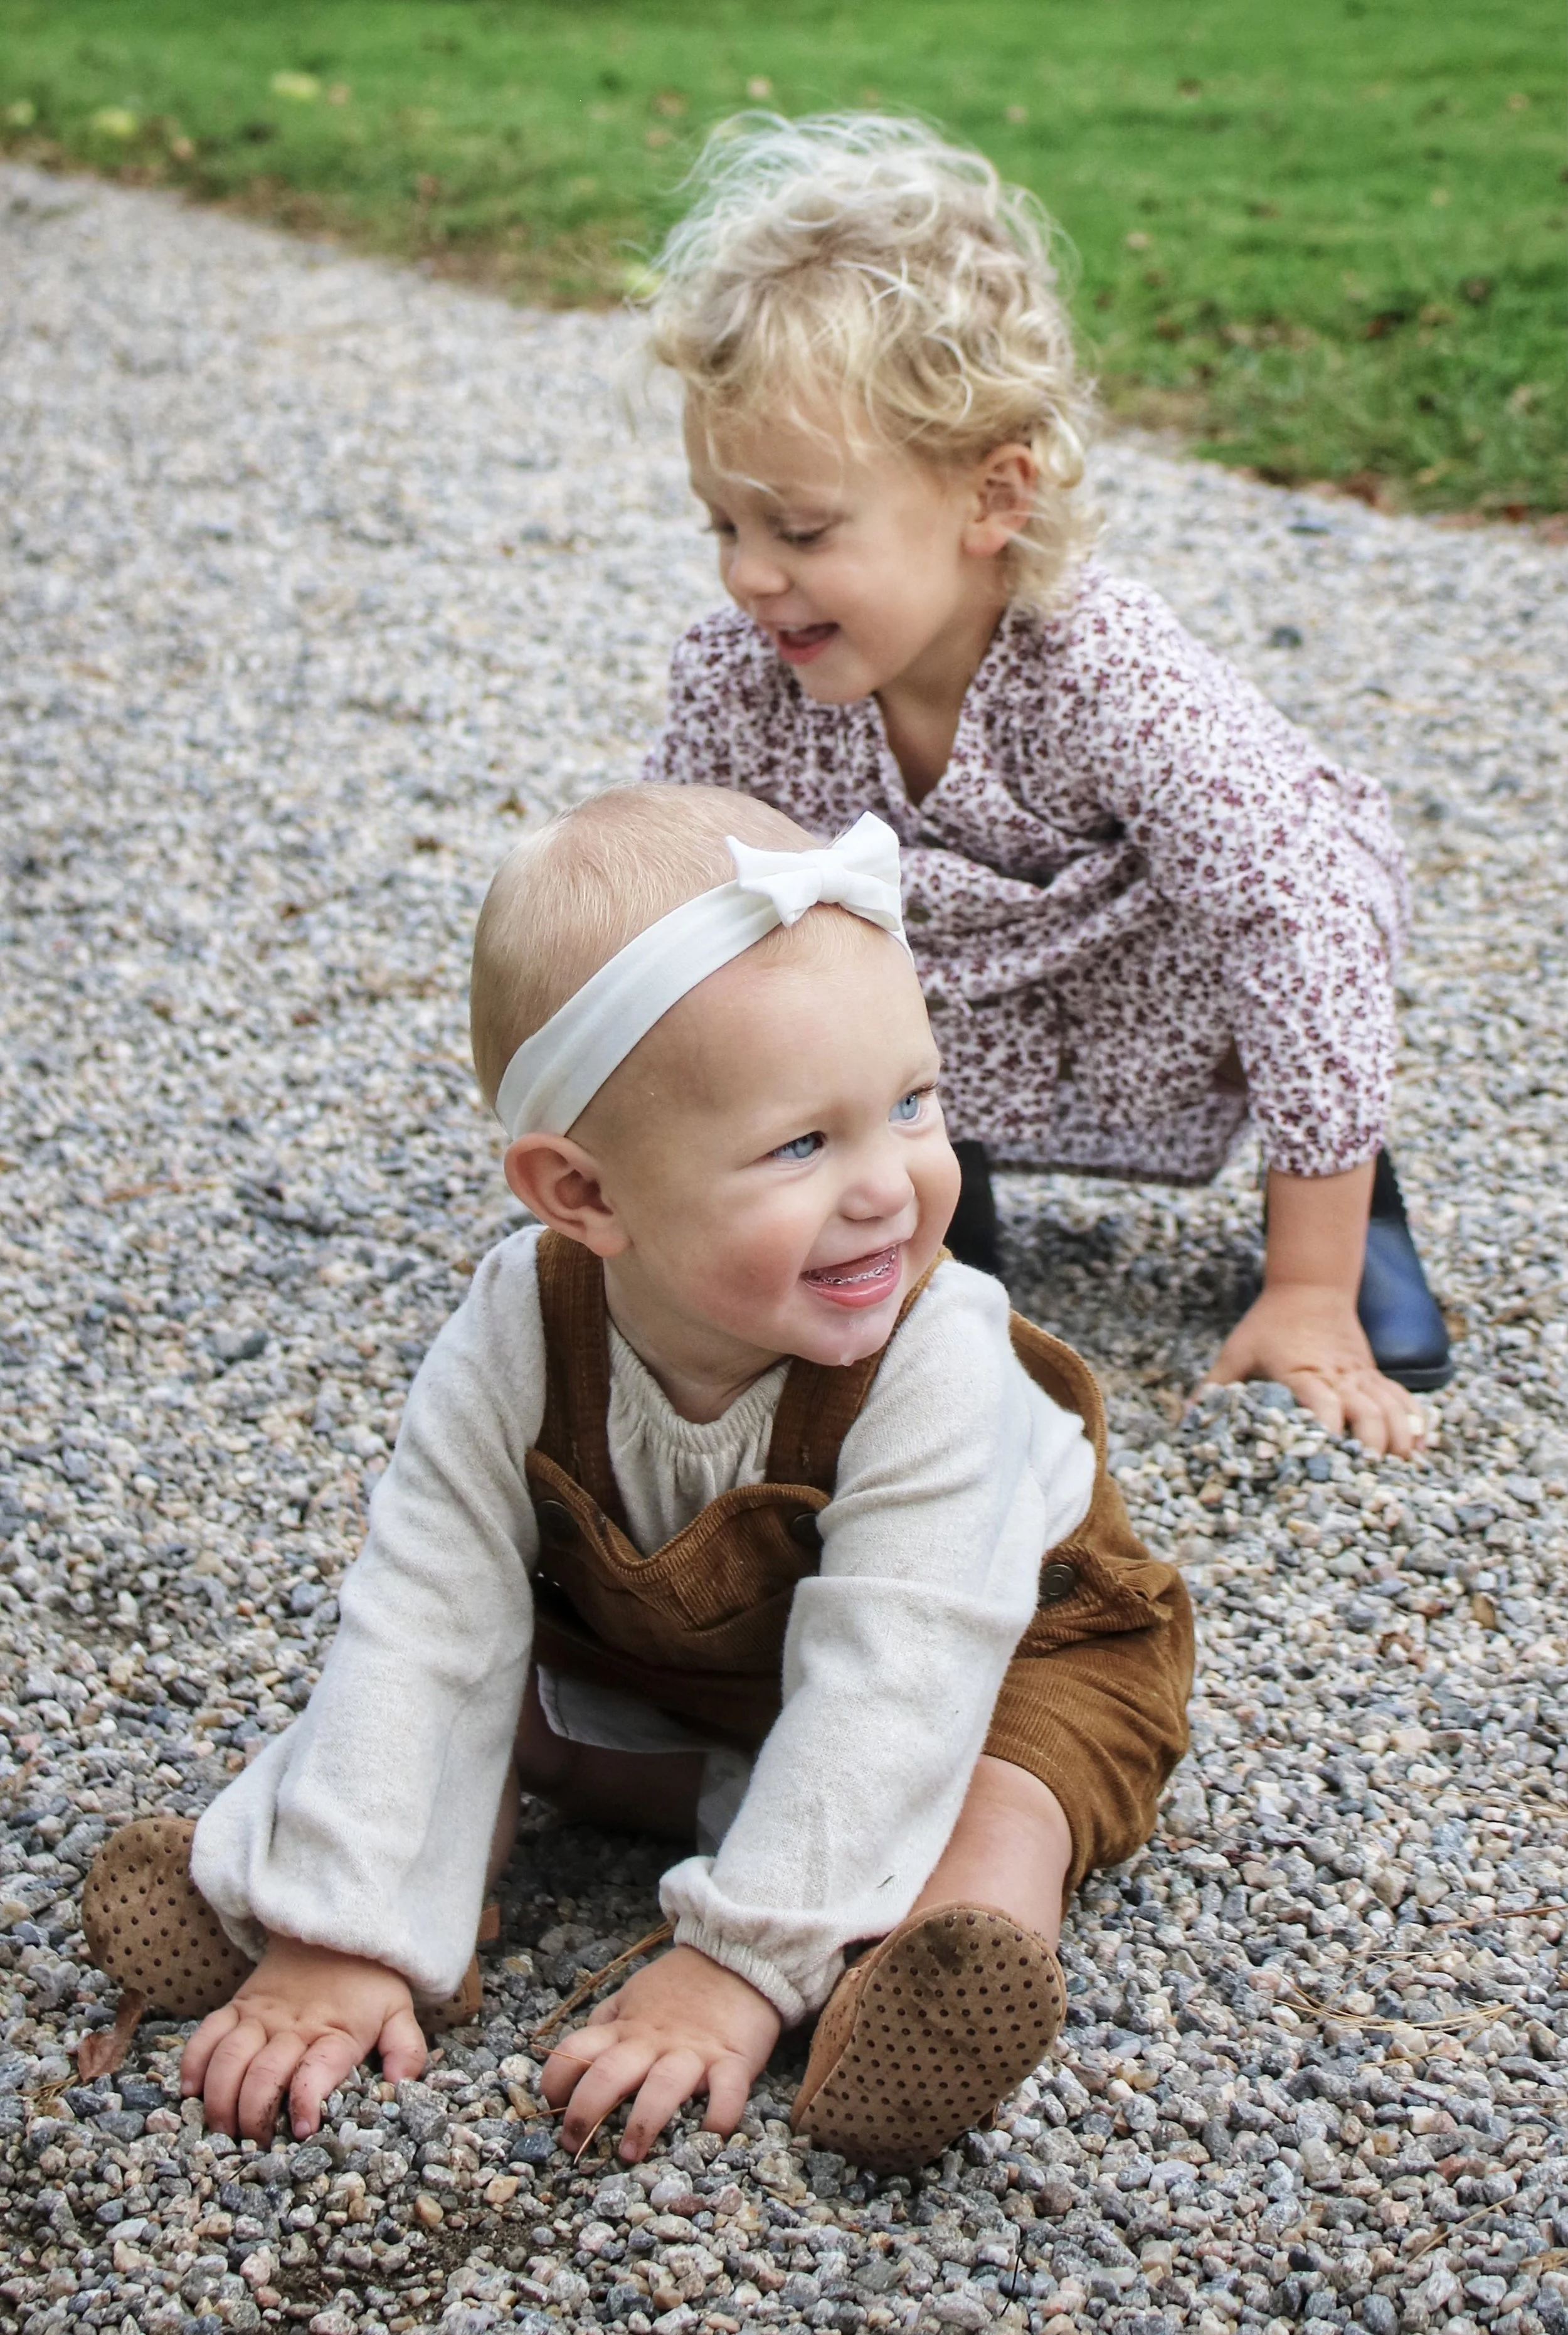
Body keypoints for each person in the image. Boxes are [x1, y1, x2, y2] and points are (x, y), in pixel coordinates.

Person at [82, 787, 1191, 2171]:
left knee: (993, 1798)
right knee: (484, 1702)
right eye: (802, 1143)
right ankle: (325, 1892)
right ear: (584, 1198)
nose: (892, 1188)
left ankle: (909, 1999)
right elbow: (429, 1613)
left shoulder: (936, 1349)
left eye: (911, 1105)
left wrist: (734, 1963)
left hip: (1007, 1647)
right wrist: (337, 1933)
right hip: (684, 1661)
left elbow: (900, 1670)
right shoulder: (518, 1327)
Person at [640, 112, 1452, 1462]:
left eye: (798, 529)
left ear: (990, 497)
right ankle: (917, 1195)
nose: (746, 574)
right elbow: (682, 925)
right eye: (721, 523)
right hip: (952, 1000)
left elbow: (1293, 917)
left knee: (1294, 924)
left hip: (1164, 973)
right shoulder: (735, 681)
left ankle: (1347, 1204)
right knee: (791, 957)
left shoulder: (1104, 666)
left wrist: (1304, 1292)